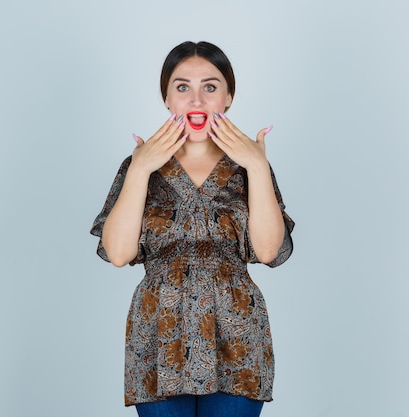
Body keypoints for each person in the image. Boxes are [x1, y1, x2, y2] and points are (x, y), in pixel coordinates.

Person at [90, 41, 295, 417]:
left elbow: (268, 251)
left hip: (237, 338)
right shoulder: (140, 164)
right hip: (159, 336)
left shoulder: (249, 165)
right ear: (166, 97)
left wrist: (257, 166)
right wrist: (139, 169)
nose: (196, 100)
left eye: (210, 87)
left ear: (229, 97)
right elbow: (118, 253)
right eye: (182, 87)